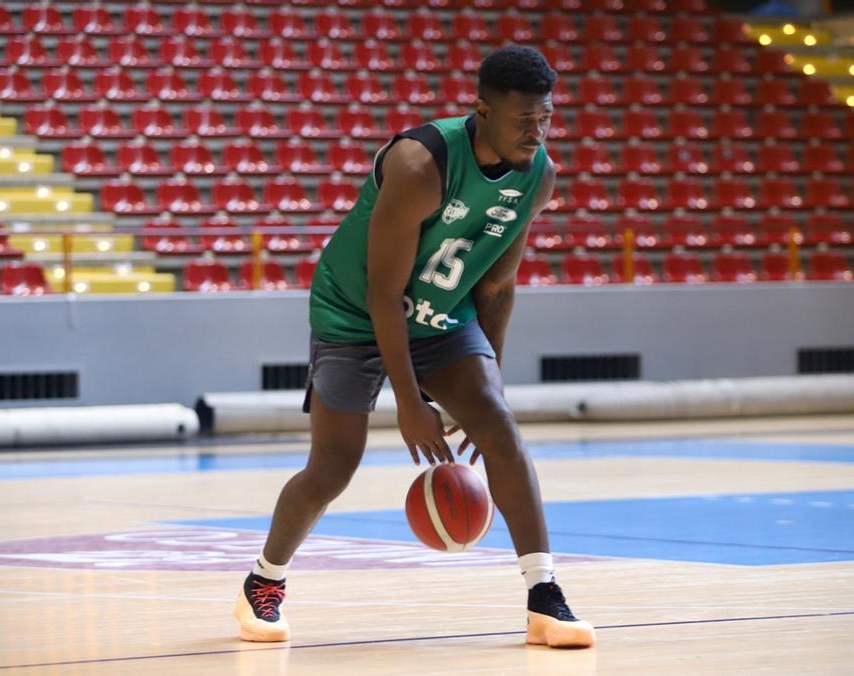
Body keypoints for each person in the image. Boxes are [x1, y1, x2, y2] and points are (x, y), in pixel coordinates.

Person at [234, 45, 595, 650]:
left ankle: (544, 596)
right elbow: (383, 292)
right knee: (332, 468)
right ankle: (263, 582)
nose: (536, 132)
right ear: (482, 111)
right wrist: (409, 401)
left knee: (499, 425)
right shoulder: (418, 165)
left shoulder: (539, 174)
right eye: (522, 120)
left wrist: (488, 390)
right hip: (355, 314)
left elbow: (498, 285)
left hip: (443, 317)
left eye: (545, 118)